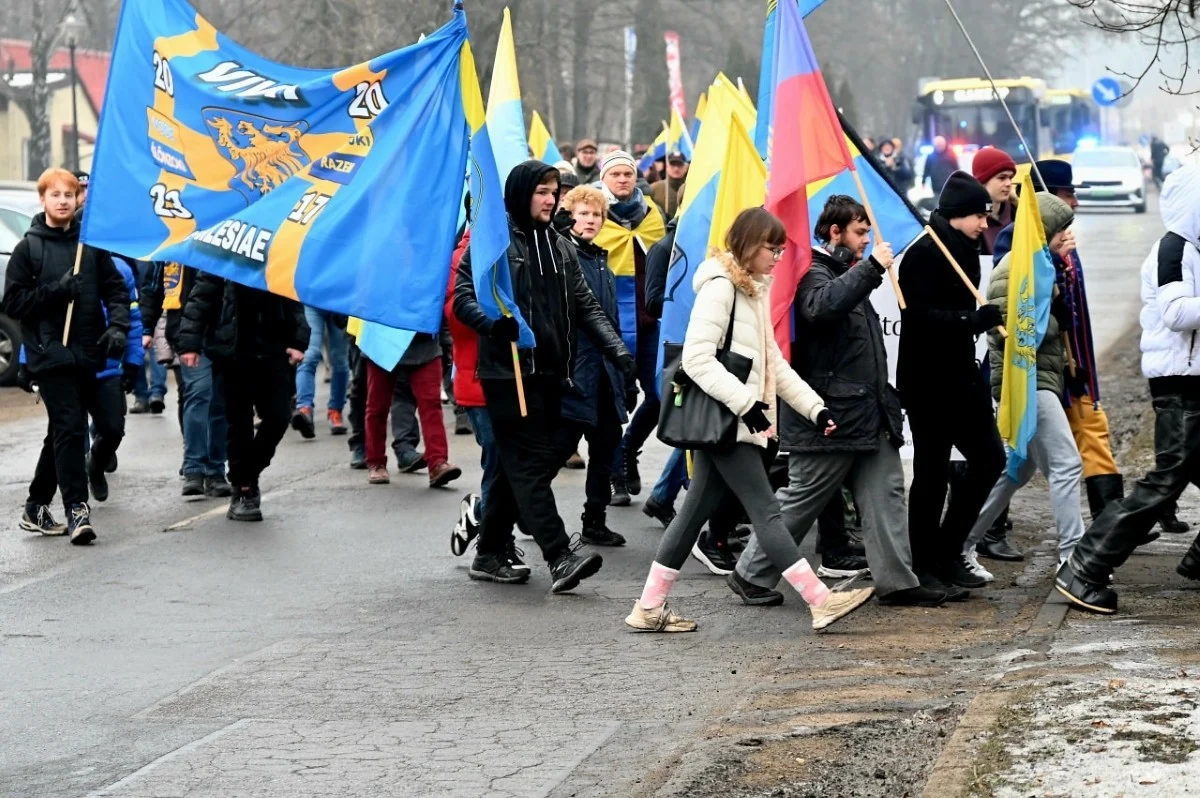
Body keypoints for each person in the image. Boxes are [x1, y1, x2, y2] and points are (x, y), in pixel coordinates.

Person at [625, 208, 875, 633]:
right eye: (770, 248)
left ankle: (649, 607)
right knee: (767, 513)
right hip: (728, 421)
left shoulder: (753, 290)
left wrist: (815, 408)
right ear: (746, 246)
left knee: (691, 518)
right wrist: (748, 405)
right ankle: (821, 600)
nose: (778, 256)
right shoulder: (722, 288)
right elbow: (697, 358)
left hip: (729, 420)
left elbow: (773, 364)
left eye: (780, 248)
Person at [729, 197, 946, 609]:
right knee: (802, 499)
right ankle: (750, 573)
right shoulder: (812, 271)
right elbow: (820, 309)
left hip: (868, 413)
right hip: (829, 416)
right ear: (835, 232)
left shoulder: (843, 271)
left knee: (886, 493)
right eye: (860, 232)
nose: (867, 241)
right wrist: (872, 268)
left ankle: (898, 582)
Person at [453, 159, 636, 592]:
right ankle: (559, 555)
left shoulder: (559, 245)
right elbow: (463, 296)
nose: (551, 199)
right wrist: (493, 324)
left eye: (554, 191)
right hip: (508, 373)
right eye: (542, 191)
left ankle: (488, 551)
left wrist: (618, 351)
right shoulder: (493, 242)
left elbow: (586, 304)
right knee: (527, 466)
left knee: (513, 469)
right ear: (521, 194)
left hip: (552, 375)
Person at [1056, 165, 1200, 615]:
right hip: (1181, 383)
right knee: (1165, 481)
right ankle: (1085, 565)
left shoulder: (1189, 248)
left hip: (1190, 381)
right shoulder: (1174, 249)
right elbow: (1177, 313)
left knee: (1168, 478)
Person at [2, 168, 130, 544]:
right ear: (42, 200)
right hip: (49, 355)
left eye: (69, 195)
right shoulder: (29, 249)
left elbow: (117, 291)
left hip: (89, 353)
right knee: (72, 430)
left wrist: (118, 327)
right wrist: (57, 291)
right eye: (55, 195)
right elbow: (13, 302)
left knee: (86, 428)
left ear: (78, 201)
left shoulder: (89, 246)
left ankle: (36, 504)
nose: (62, 201)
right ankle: (78, 510)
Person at [963, 193, 1085, 579]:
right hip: (1027, 381)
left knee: (1017, 468)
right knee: (1067, 464)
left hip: (1037, 379)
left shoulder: (1041, 264)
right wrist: (1055, 322)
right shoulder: (1020, 266)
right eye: (1061, 228)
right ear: (1045, 229)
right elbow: (1009, 332)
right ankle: (1073, 559)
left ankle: (958, 545)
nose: (1067, 236)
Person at [898, 171, 1007, 589]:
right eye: (979, 216)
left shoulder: (964, 247)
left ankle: (948, 549)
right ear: (957, 215)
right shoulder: (925, 253)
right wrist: (970, 321)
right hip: (929, 383)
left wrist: (976, 323)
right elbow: (919, 319)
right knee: (931, 473)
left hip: (962, 378)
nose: (985, 224)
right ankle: (923, 563)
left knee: (990, 459)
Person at [176, 274, 309, 522]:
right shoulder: (225, 245)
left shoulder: (276, 247)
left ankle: (247, 473)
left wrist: (298, 340)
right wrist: (190, 343)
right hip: (233, 352)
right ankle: (243, 490)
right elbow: (202, 295)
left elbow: (292, 293)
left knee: (279, 418)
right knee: (239, 424)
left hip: (273, 350)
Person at [553, 185, 633, 546]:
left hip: (604, 373)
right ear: (570, 216)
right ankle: (522, 510)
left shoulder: (602, 261)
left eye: (596, 215)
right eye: (583, 214)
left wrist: (624, 379)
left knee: (604, 449)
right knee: (555, 451)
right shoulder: (560, 252)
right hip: (574, 372)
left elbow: (610, 322)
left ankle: (594, 520)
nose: (590, 221)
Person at [592, 149, 668, 506]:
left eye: (628, 174)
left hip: (650, 320)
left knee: (659, 394)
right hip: (607, 324)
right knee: (613, 402)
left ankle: (627, 450)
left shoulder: (653, 214)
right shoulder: (592, 214)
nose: (623, 180)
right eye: (615, 174)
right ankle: (615, 474)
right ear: (603, 179)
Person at [141, 261, 231, 498]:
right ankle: (194, 468)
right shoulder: (175, 239)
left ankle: (215, 470)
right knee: (198, 393)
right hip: (187, 331)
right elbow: (154, 286)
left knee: (219, 403)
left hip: (225, 330)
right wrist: (146, 328)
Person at [362, 332, 462, 488]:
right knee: (377, 406)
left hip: (423, 342)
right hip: (381, 341)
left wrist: (445, 340)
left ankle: (437, 462)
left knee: (431, 404)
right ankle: (376, 462)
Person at [292, 307, 350, 438]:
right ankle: (304, 408)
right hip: (311, 299)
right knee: (309, 355)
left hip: (339, 301)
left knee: (340, 359)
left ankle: (336, 410)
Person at [971, 147, 1017, 255]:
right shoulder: (968, 219)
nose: (1008, 183)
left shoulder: (1018, 213)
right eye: (1002, 178)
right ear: (983, 181)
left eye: (1010, 178)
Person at [649, 151, 688, 219]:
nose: (676, 169)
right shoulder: (655, 188)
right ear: (667, 167)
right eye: (673, 165)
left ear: (685, 168)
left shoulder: (690, 188)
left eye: (679, 165)